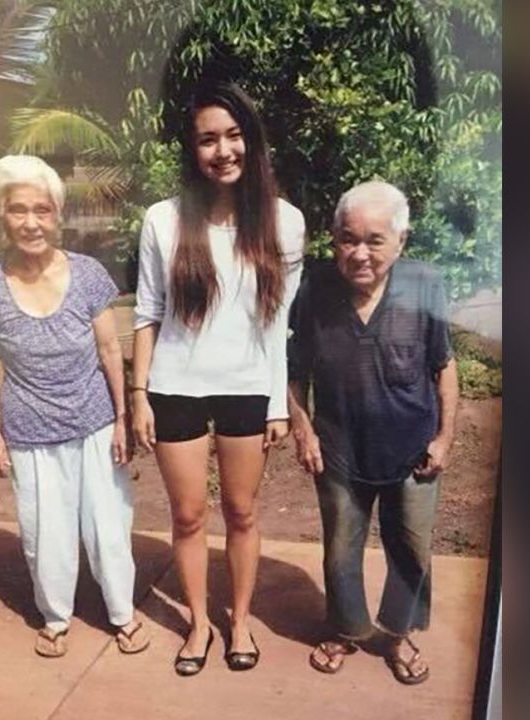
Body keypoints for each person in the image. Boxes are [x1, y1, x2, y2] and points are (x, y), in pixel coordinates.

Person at [131, 82, 304, 676]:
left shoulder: (284, 222)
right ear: (193, 149)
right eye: (208, 139)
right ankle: (199, 624)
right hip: (176, 384)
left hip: (248, 386)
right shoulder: (164, 219)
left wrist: (278, 402)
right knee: (186, 516)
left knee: (241, 511)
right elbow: (147, 312)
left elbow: (279, 323)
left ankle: (240, 619)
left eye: (233, 136)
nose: (222, 150)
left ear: (252, 143)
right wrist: (139, 396)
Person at [0, 155, 148, 659]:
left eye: (42, 210)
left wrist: (121, 420)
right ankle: (55, 617)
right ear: (1, 214)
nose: (31, 222)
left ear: (57, 215)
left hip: (93, 420)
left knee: (108, 525)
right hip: (29, 427)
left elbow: (112, 350)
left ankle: (122, 615)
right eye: (18, 210)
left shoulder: (88, 273)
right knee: (45, 532)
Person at [288, 181, 459, 686]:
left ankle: (400, 633)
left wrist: (445, 438)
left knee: (411, 548)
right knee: (341, 548)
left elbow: (444, 366)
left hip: (414, 452)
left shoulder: (425, 284)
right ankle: (346, 628)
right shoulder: (315, 288)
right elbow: (294, 369)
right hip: (339, 450)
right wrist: (303, 428)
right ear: (334, 239)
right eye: (347, 239)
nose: (359, 253)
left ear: (400, 241)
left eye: (374, 240)